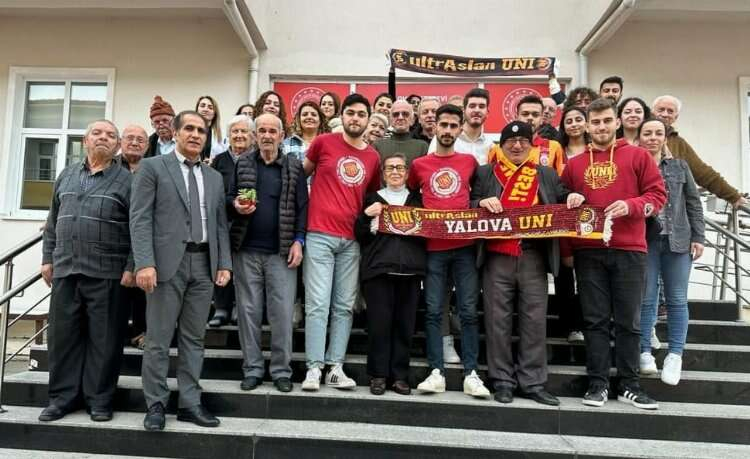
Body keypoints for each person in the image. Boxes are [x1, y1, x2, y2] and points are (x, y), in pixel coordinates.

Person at [561, 98, 666, 410]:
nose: (601, 127)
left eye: (607, 120)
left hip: (629, 249)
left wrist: (632, 205)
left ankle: (629, 384)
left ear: (617, 122)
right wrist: (570, 197)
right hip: (588, 251)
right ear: (587, 126)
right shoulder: (574, 164)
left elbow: (657, 196)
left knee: (628, 321)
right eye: (595, 122)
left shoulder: (638, 155)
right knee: (594, 321)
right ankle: (598, 383)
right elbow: (561, 203)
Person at [131, 110, 232, 431]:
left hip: (203, 264)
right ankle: (156, 404)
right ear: (175, 133)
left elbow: (220, 224)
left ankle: (190, 403)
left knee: (194, 338)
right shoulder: (152, 167)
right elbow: (140, 218)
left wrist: (224, 263)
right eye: (189, 128)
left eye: (201, 131)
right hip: (164, 266)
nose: (195, 135)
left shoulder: (214, 177)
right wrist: (144, 262)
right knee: (158, 339)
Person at [471, 121, 583, 406]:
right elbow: (468, 204)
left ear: (532, 146)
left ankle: (532, 382)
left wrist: (571, 196)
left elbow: (562, 198)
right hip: (497, 255)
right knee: (497, 321)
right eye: (511, 141)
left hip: (534, 255)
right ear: (501, 146)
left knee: (534, 321)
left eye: (523, 141)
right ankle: (502, 381)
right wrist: (480, 204)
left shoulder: (545, 173)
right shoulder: (485, 172)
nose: (517, 145)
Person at [39, 120, 133, 423]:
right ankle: (61, 399)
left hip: (108, 273)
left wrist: (132, 266)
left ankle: (99, 400)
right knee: (62, 339)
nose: (103, 138)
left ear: (117, 145)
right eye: (97, 133)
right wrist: (47, 258)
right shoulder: (66, 175)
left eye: (110, 135)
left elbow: (138, 227)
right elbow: (53, 221)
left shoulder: (127, 181)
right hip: (66, 269)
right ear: (85, 141)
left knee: (105, 341)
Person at [407, 104, 490, 399]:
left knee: (468, 311)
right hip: (432, 250)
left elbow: (477, 196)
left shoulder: (470, 162)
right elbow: (410, 197)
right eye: (443, 125)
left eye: (454, 126)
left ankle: (471, 373)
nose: (447, 130)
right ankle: (436, 372)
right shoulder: (419, 165)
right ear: (435, 126)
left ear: (460, 128)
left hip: (465, 248)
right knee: (432, 311)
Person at [300, 93, 381, 391]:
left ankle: (335, 367)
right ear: (342, 116)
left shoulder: (373, 157)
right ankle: (314, 367)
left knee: (344, 306)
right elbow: (299, 178)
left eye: (361, 114)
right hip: (319, 234)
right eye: (351, 113)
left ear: (368, 119)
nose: (355, 118)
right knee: (317, 304)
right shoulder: (323, 142)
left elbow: (371, 197)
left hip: (351, 240)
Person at [229, 113, 308, 393]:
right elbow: (227, 198)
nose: (266, 135)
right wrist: (235, 205)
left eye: (272, 131)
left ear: (281, 135)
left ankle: (281, 371)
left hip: (282, 252)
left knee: (282, 314)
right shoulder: (242, 163)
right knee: (248, 313)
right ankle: (252, 369)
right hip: (246, 251)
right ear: (254, 135)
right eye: (261, 130)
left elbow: (302, 207)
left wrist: (299, 240)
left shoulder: (294, 166)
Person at [637, 117, 704, 385]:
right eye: (647, 133)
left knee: (677, 299)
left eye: (658, 133)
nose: (652, 138)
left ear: (665, 138)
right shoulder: (634, 165)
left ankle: (675, 355)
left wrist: (699, 237)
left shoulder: (680, 166)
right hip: (646, 240)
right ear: (639, 137)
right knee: (646, 298)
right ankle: (644, 351)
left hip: (679, 240)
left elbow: (693, 203)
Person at [354, 153, 425, 396]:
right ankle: (378, 375)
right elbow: (360, 235)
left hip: (411, 271)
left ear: (407, 173)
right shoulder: (371, 199)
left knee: (405, 326)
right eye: (390, 168)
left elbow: (427, 233)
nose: (395, 172)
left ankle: (400, 376)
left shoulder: (418, 201)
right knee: (379, 325)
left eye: (400, 168)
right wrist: (366, 216)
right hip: (378, 270)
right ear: (383, 174)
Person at [653, 95, 746, 208]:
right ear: (653, 112)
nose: (665, 114)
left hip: (668, 207)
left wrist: (733, 196)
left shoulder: (679, 144)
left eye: (670, 111)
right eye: (661, 110)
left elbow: (703, 173)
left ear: (675, 117)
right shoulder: (638, 135)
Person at [208, 115, 255, 327]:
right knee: (222, 262)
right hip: (224, 219)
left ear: (252, 136)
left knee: (245, 268)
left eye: (244, 131)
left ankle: (239, 306)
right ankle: (222, 307)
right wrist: (231, 203)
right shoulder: (219, 161)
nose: (239, 135)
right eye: (235, 131)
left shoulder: (257, 159)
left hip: (250, 222)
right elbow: (211, 191)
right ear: (228, 135)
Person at [118, 124, 149, 350]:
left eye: (140, 139)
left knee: (142, 288)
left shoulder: (152, 168)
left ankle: (141, 331)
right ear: (121, 141)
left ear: (147, 145)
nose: (135, 142)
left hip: (144, 236)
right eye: (130, 138)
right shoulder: (110, 166)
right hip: (116, 238)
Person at [490, 95, 566, 175]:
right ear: (516, 117)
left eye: (535, 115)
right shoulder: (498, 150)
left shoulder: (554, 148)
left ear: (541, 119)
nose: (530, 118)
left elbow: (561, 180)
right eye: (525, 114)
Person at [428, 88, 494, 166]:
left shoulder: (490, 146)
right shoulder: (444, 138)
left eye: (481, 106)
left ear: (487, 113)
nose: (477, 110)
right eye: (472, 106)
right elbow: (431, 166)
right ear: (464, 111)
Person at [372, 99, 428, 165]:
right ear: (390, 120)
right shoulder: (378, 145)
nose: (400, 117)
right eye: (396, 114)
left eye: (405, 114)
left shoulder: (422, 147)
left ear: (412, 120)